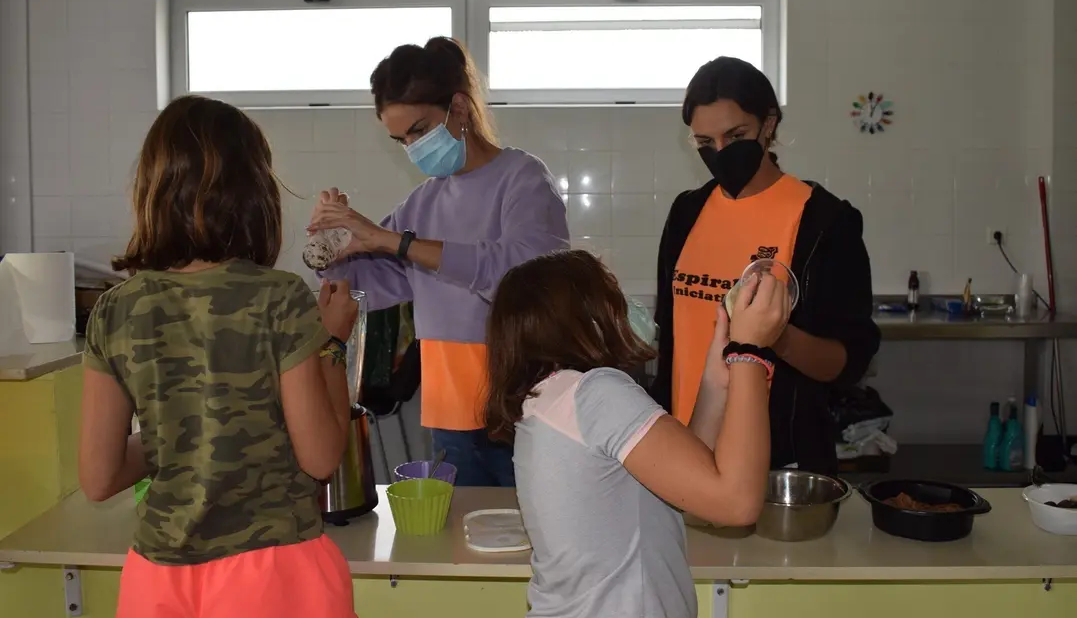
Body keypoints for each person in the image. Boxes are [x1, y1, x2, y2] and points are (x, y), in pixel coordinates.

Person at [78, 95, 359, 618]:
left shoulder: (115, 309)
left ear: (151, 191)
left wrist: (181, 432)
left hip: (156, 580)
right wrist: (333, 343)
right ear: (254, 194)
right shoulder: (278, 297)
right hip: (273, 573)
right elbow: (321, 457)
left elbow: (98, 477)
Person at [307, 36, 570, 487]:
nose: (412, 147)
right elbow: (373, 283)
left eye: (420, 129)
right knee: (463, 530)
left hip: (524, 404)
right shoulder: (423, 202)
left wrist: (396, 241)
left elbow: (520, 276)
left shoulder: (522, 178)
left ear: (459, 107)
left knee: (533, 525)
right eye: (401, 139)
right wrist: (329, 248)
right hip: (451, 408)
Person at [485, 250, 789, 618]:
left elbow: (685, 483)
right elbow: (736, 503)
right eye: (611, 294)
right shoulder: (595, 393)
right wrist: (751, 352)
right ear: (583, 319)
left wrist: (716, 382)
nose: (623, 307)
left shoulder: (552, 401)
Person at [652, 56, 881, 476]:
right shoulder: (686, 213)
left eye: (736, 135)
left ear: (769, 124)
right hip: (686, 449)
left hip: (779, 462)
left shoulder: (824, 221)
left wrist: (776, 337)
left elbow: (847, 362)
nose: (721, 152)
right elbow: (670, 333)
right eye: (705, 142)